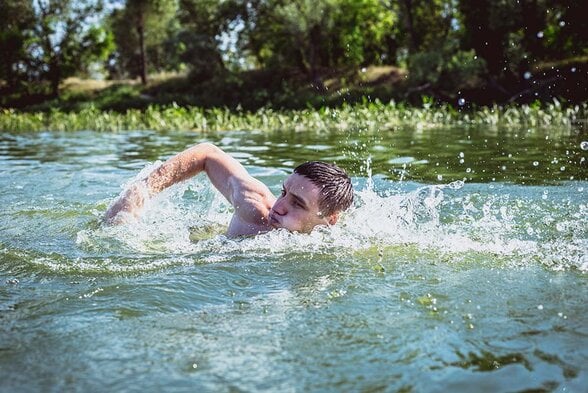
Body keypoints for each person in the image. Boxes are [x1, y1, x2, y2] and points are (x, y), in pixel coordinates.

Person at [105, 142, 353, 237]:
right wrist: (140, 193)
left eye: (298, 204)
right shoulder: (255, 208)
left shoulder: (340, 245)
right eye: (283, 192)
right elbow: (208, 153)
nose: (279, 206)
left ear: (330, 219)